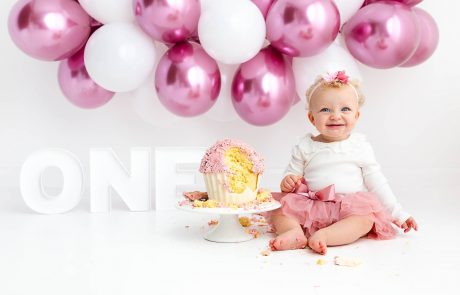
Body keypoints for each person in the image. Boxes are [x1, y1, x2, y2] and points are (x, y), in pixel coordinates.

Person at [269, 71, 418, 254]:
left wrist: (399, 214)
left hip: (349, 208)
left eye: (345, 109)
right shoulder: (305, 145)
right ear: (312, 118)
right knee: (279, 210)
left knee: (365, 219)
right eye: (325, 109)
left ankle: (326, 235)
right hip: (311, 206)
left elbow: (377, 183)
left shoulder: (359, 146)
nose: (335, 116)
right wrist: (288, 180)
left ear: (356, 116)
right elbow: (291, 173)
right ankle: (294, 232)